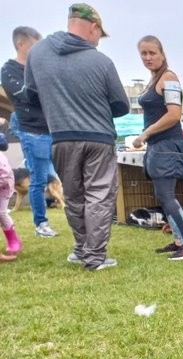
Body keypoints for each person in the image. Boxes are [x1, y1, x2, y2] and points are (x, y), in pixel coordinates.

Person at [25, 3, 130, 270]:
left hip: (61, 136)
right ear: (93, 27)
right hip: (99, 137)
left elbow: (31, 95)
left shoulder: (37, 54)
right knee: (99, 195)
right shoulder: (101, 62)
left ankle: (82, 249)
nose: (98, 40)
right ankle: (94, 256)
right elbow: (122, 105)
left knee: (74, 195)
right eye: (99, 34)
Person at [132, 36, 183, 261]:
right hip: (157, 145)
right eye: (144, 53)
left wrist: (146, 133)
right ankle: (180, 241)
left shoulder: (169, 77)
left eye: (152, 53)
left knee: (166, 195)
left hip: (167, 144)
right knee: (163, 195)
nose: (148, 57)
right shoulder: (154, 80)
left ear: (162, 54)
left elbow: (174, 114)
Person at [1, 26, 58, 238]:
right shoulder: (9, 70)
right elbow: (27, 95)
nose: (39, 50)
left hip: (55, 129)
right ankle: (41, 224)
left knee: (67, 175)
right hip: (32, 131)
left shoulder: (42, 68)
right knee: (39, 178)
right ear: (21, 44)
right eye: (35, 45)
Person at [1, 125, 22, 261]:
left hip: (3, 186)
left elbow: (4, 175)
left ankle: (14, 241)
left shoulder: (1, 161)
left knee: (1, 213)